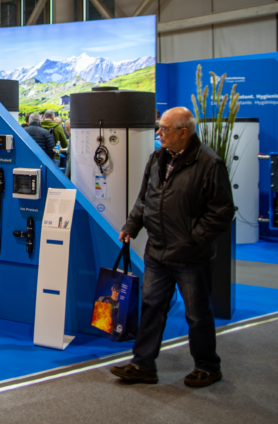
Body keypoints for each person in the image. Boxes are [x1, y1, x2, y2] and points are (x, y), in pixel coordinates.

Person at [111, 107, 234, 389]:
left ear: (183, 132)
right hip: (157, 251)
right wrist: (131, 227)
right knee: (152, 307)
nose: (159, 134)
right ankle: (142, 364)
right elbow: (145, 198)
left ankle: (207, 366)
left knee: (197, 314)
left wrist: (194, 239)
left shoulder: (209, 163)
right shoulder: (157, 157)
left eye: (164, 129)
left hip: (191, 256)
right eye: (159, 128)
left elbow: (222, 211)